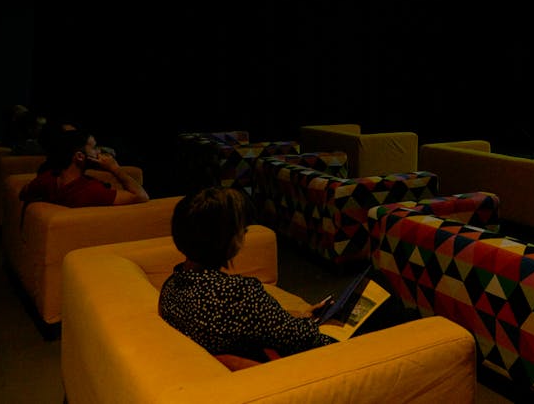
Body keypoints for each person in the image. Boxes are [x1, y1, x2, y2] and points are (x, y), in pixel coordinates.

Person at [158, 187, 335, 362]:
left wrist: (303, 315)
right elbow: (303, 339)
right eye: (240, 228)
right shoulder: (237, 294)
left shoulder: (171, 286)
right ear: (224, 239)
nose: (244, 232)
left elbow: (258, 323)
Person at [18, 126, 149, 207]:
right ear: (80, 156)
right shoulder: (90, 190)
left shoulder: (47, 179)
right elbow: (141, 196)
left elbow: (24, 192)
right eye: (94, 148)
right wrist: (114, 168)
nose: (99, 152)